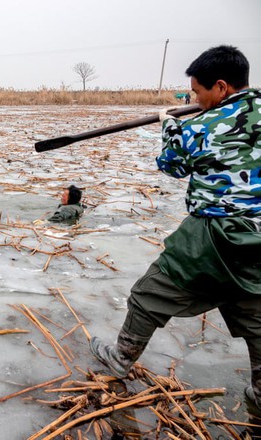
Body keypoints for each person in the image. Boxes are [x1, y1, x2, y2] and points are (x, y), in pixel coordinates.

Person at [89, 45, 261, 408]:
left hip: (214, 235)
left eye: (197, 93)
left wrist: (170, 125)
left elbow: (173, 166)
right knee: (256, 311)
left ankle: (120, 359)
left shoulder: (199, 125)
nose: (195, 100)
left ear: (221, 87)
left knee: (148, 295)